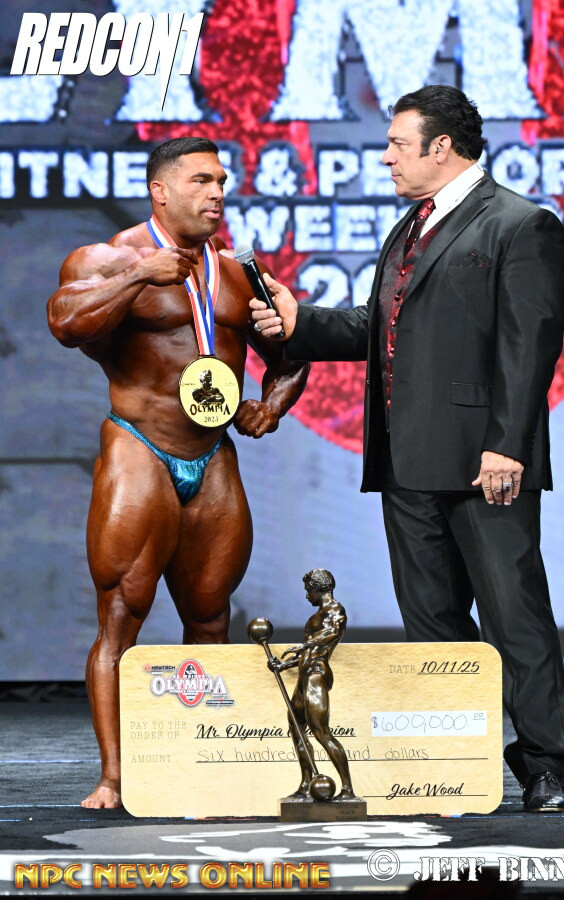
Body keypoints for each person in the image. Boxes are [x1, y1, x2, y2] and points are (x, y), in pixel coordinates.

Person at [250, 86, 564, 812]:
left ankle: (544, 765)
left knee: (513, 615)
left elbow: (529, 349)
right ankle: (453, 764)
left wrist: (507, 447)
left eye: (398, 144)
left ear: (441, 147)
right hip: (406, 459)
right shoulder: (411, 227)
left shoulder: (521, 224)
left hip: (485, 461)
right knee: (431, 622)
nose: (387, 157)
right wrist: (301, 322)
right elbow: (382, 327)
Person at [47, 137, 309, 809]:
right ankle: (114, 778)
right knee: (122, 614)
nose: (217, 192)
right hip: (141, 446)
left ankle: (204, 766)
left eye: (221, 180)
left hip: (213, 453)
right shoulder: (109, 256)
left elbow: (291, 353)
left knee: (211, 616)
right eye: (200, 180)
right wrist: (139, 276)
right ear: (160, 191)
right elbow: (65, 322)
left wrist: (271, 405)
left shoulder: (240, 271)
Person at [268, 569, 356, 800]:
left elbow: (332, 633)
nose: (307, 595)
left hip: (316, 674)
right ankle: (306, 784)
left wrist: (305, 645)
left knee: (321, 732)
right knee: (296, 729)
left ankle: (347, 789)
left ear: (318, 588)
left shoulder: (335, 609)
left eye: (309, 590)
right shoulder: (316, 616)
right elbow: (306, 653)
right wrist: (283, 665)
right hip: (304, 675)